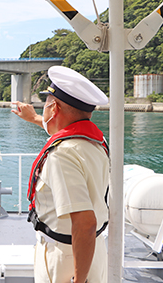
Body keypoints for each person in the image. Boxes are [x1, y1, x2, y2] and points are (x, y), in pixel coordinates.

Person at [11, 66, 109, 283]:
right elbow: (66, 129)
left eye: (46, 103)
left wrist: (79, 280)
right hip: (93, 251)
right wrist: (36, 118)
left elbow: (84, 223)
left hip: (67, 257)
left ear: (53, 108)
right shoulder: (95, 141)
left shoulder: (62, 155)